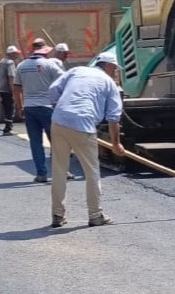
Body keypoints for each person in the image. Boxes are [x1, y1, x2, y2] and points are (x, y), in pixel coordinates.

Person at [44, 52, 126, 228]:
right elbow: (114, 117)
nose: (115, 73)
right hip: (83, 123)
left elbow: (52, 90)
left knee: (59, 169)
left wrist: (59, 107)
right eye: (115, 69)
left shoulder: (77, 71)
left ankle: (57, 215)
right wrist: (116, 144)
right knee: (92, 172)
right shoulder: (109, 83)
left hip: (58, 121)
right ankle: (95, 215)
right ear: (109, 66)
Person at [13, 40, 66, 183]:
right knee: (56, 141)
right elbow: (64, 81)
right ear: (45, 51)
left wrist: (20, 107)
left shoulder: (22, 66)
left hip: (29, 108)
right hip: (47, 107)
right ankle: (63, 172)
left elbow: (17, 88)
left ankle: (41, 173)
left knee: (35, 142)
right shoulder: (50, 64)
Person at [0, 45, 20, 135]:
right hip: (7, 89)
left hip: (1, 88)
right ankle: (8, 128)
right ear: (12, 54)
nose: (17, 55)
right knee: (10, 108)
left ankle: (7, 126)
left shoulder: (1, 62)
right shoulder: (10, 63)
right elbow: (11, 77)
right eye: (15, 53)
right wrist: (14, 91)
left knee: (6, 108)